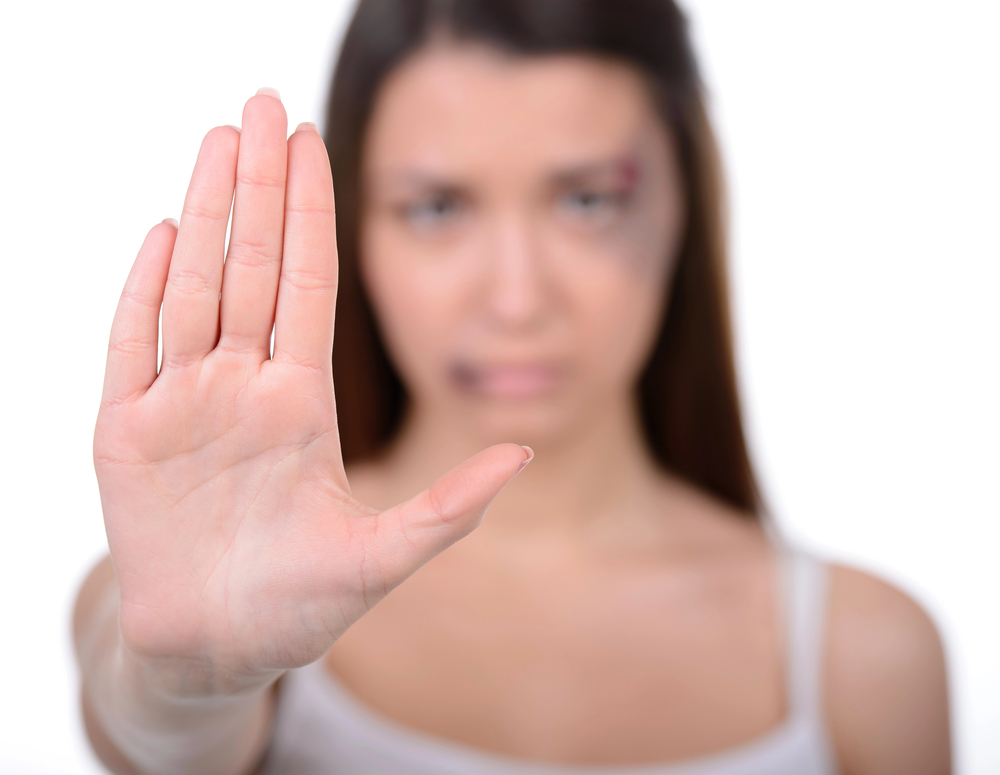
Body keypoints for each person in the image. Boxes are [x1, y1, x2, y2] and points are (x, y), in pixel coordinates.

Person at [73, 1, 951, 773]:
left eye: (587, 201)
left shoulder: (862, 660)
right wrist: (188, 687)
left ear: (686, 204)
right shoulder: (213, 582)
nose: (518, 298)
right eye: (438, 208)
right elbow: (165, 738)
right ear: (355, 226)